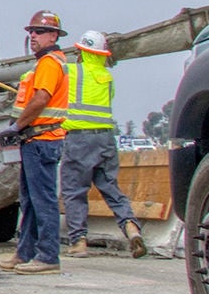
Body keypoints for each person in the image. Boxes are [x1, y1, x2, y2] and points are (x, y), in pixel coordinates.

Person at [59, 30, 148, 259]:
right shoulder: (107, 78)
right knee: (110, 187)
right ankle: (131, 228)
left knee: (74, 190)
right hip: (106, 138)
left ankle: (78, 241)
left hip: (79, 138)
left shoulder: (71, 71)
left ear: (80, 51)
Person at [0, 10, 69, 275]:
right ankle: (25, 253)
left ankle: (48, 256)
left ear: (53, 35)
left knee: (43, 200)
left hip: (42, 141)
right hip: (33, 141)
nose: (33, 37)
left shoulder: (50, 63)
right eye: (31, 32)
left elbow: (40, 99)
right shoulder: (43, 64)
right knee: (29, 201)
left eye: (39, 32)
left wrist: (17, 126)